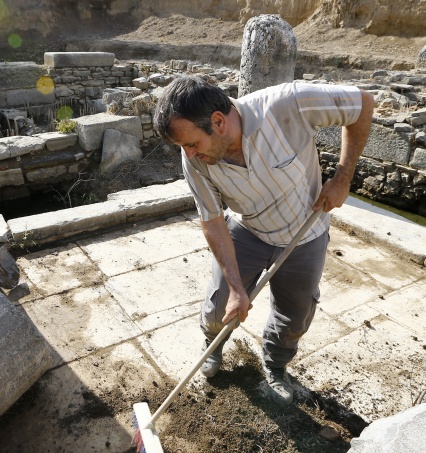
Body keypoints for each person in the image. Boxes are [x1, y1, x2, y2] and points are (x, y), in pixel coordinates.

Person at [153, 76, 374, 405]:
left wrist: (342, 177)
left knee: (295, 316)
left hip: (306, 232)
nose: (189, 154)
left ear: (218, 122)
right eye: (183, 147)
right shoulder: (195, 159)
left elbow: (363, 104)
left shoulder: (289, 104)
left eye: (192, 143)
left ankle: (275, 365)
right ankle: (212, 345)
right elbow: (212, 221)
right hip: (249, 230)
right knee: (220, 305)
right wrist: (237, 288)